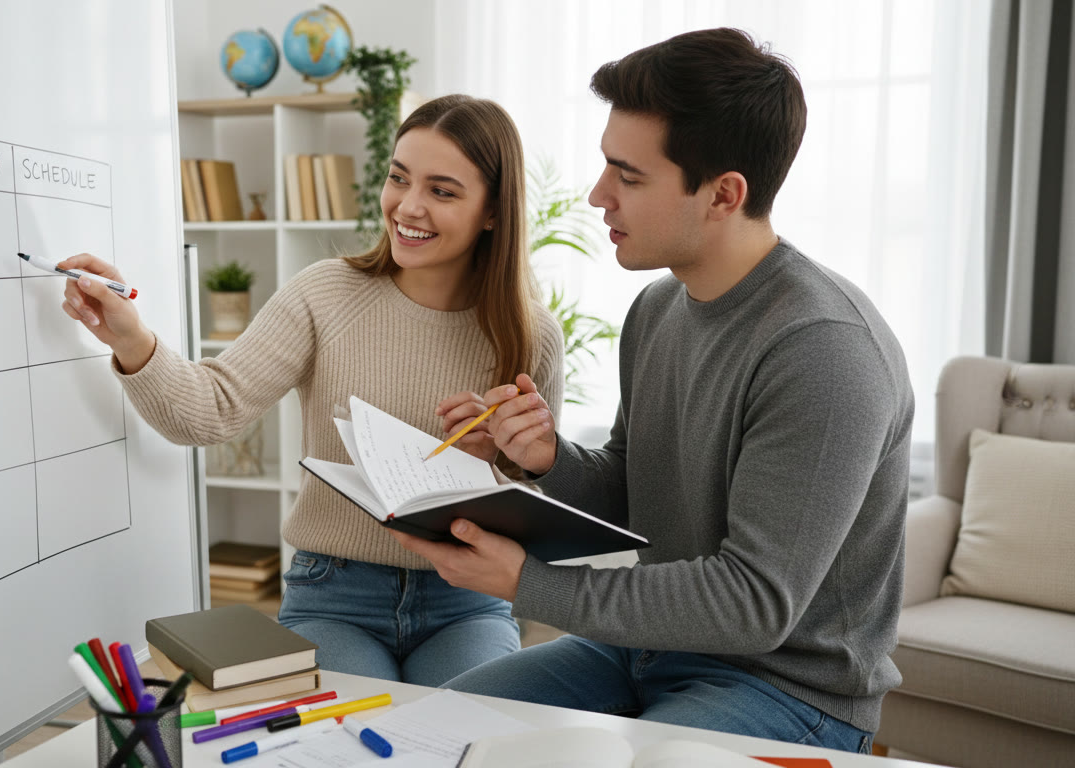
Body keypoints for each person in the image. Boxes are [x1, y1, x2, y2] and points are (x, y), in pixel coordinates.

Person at [390, 29, 913, 754]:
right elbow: (633, 492)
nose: (598, 195)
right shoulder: (659, 309)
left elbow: (754, 603)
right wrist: (541, 458)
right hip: (643, 653)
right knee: (423, 735)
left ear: (725, 194)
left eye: (628, 177)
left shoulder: (824, 352)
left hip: (788, 693)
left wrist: (526, 584)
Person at [56, 94, 564, 686]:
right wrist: (130, 336)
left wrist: (504, 458)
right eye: (399, 178)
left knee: (473, 737)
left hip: (468, 600)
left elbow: (543, 503)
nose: (408, 206)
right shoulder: (326, 294)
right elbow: (208, 412)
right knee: (339, 744)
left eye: (443, 191)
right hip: (335, 596)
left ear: (494, 212)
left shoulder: (532, 335)